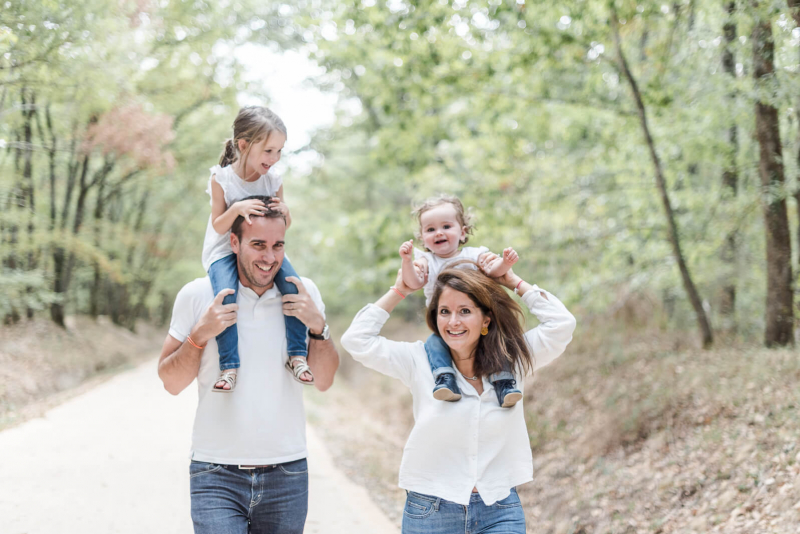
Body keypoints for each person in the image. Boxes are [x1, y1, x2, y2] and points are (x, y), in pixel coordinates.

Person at [340, 259, 576, 534]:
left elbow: (562, 324)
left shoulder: (514, 358)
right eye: (444, 311)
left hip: (499, 507)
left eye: (465, 311)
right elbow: (356, 339)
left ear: (486, 319)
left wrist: (514, 282)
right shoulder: (417, 361)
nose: (453, 322)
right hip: (431, 510)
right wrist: (400, 289)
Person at [158, 204, 339, 534]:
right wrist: (200, 335)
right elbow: (170, 382)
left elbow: (324, 381)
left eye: (278, 245)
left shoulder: (303, 293)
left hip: (287, 472)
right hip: (215, 472)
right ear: (233, 242)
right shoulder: (198, 295)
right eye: (258, 245)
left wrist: (317, 326)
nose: (270, 257)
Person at [202, 105, 312, 392]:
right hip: (225, 249)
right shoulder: (222, 179)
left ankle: (297, 355)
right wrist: (236, 208)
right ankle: (229, 366)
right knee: (226, 297)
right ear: (243, 145)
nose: (274, 159)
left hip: (264, 250)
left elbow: (284, 224)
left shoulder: (273, 180)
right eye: (268, 151)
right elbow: (217, 225)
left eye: (279, 151)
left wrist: (286, 210)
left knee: (294, 286)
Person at [398, 194, 522, 407]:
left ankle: (504, 382)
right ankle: (445, 379)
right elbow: (413, 282)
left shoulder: (475, 254)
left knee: (496, 343)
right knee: (434, 344)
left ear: (462, 232)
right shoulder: (427, 261)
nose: (438, 232)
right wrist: (407, 261)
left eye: (446, 226)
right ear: (422, 238)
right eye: (430, 229)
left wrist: (505, 263)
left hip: (479, 320)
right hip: (445, 324)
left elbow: (494, 271)